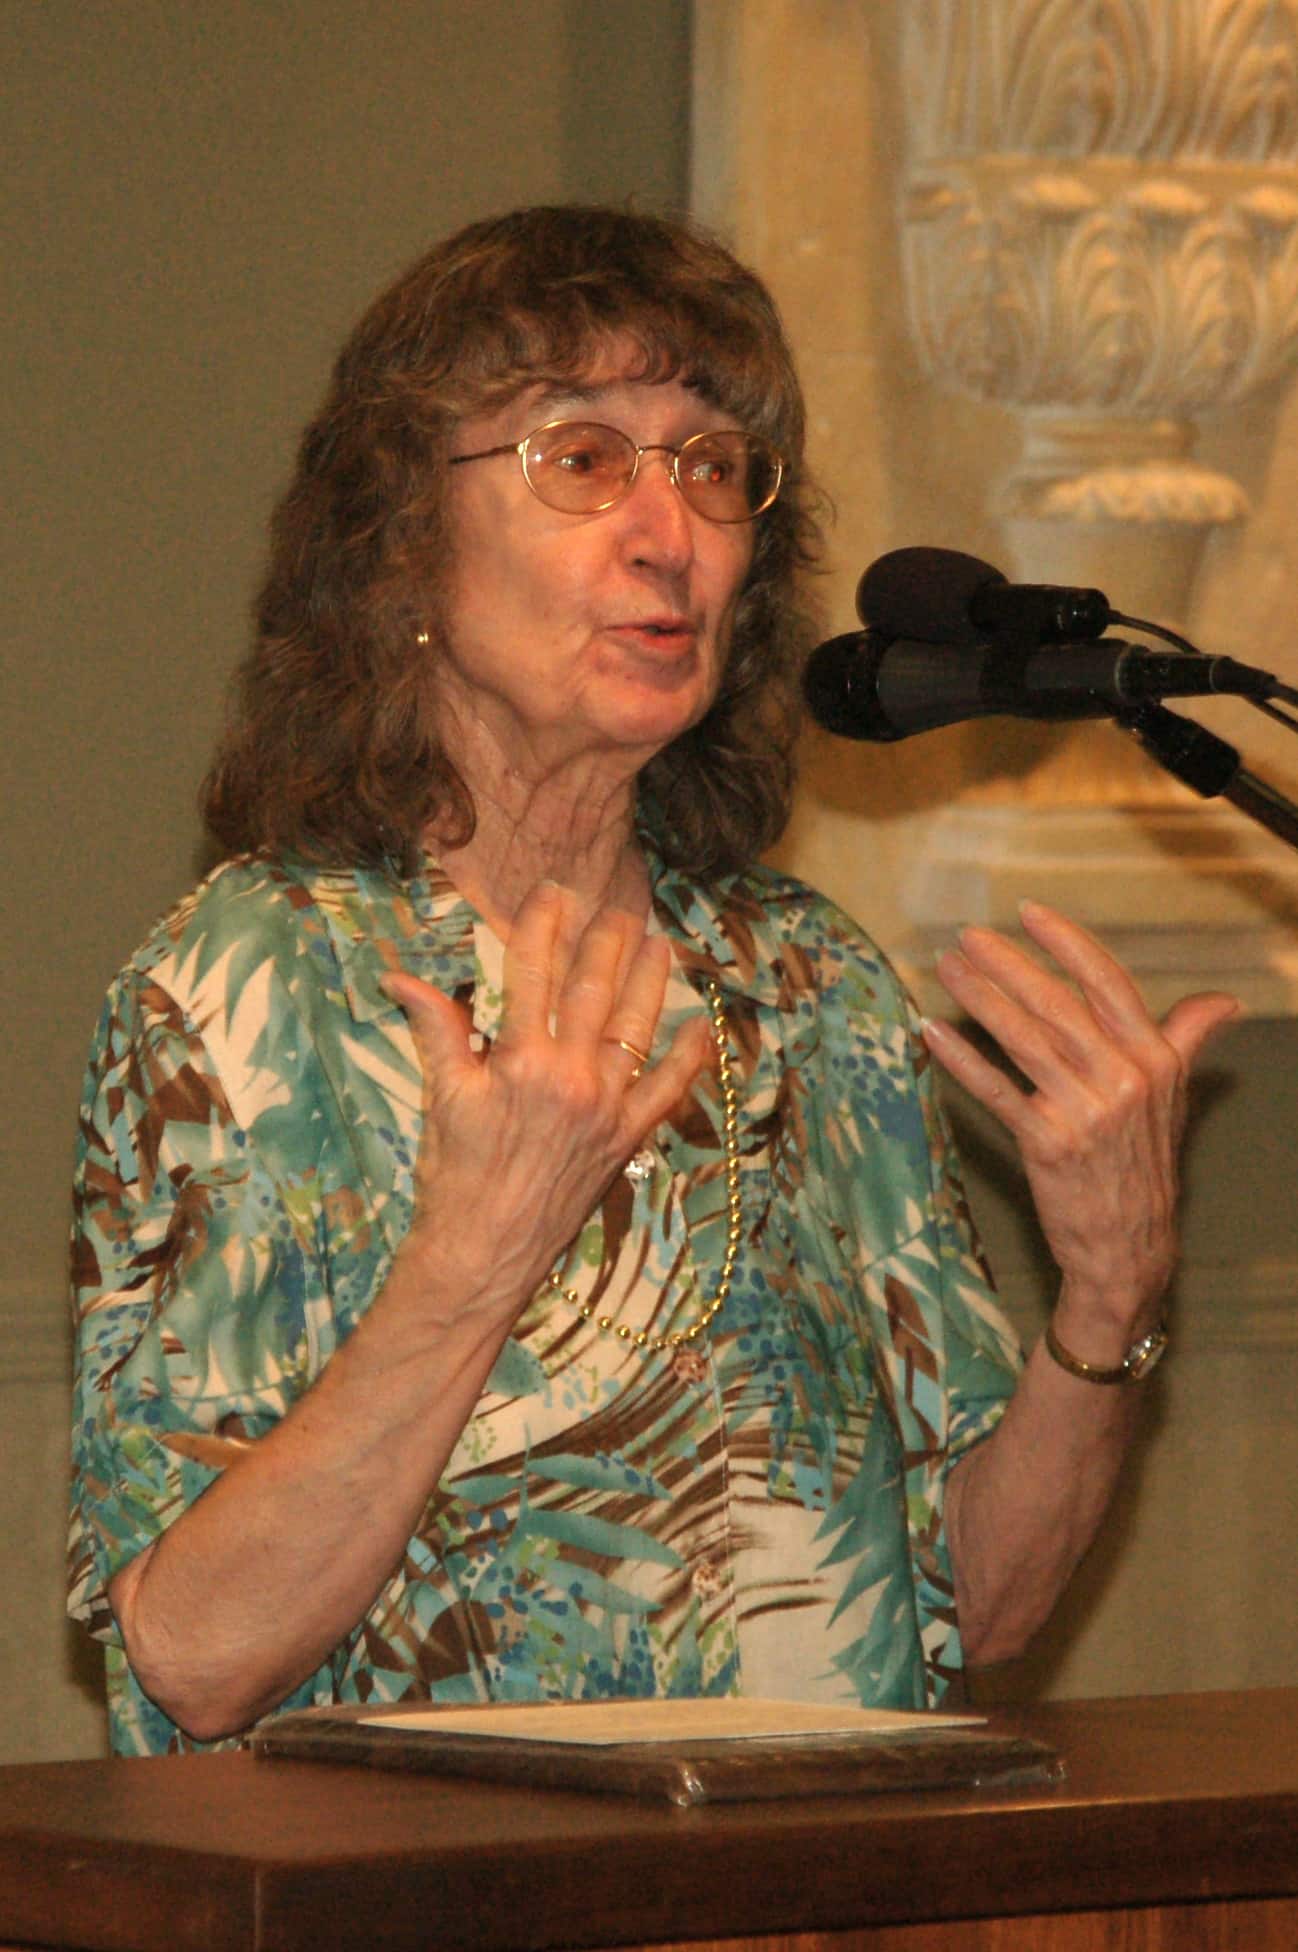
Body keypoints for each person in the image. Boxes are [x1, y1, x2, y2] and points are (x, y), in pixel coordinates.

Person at [67, 205, 1237, 1757]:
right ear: (402, 539)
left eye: (711, 468)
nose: (667, 531)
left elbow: (979, 1606)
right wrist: (478, 1257)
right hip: (416, 1881)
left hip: (806, 1875)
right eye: (582, 459)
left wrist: (1107, 1295)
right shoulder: (246, 989)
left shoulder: (809, 984)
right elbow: (195, 1660)